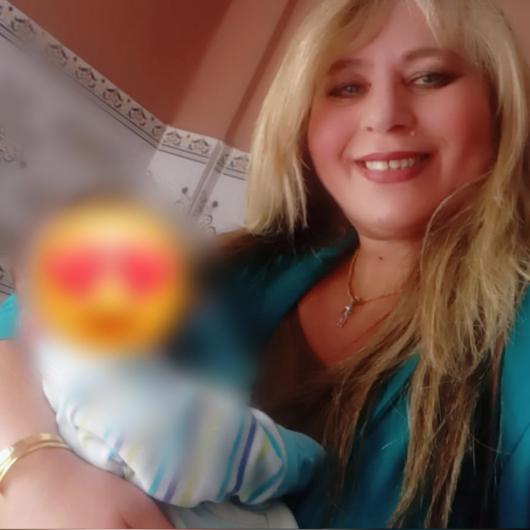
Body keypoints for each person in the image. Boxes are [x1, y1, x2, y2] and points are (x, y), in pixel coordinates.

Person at [1, 0, 530, 527]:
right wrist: (37, 473)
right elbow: (24, 327)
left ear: (499, 106)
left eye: (429, 77)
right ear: (304, 123)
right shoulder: (240, 267)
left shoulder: (514, 340)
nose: (384, 115)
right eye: (347, 87)